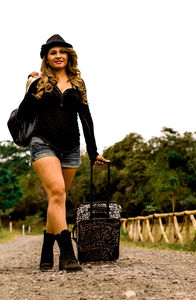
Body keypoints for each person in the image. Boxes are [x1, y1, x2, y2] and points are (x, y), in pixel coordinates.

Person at [17, 34, 109, 272]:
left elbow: (86, 118)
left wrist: (93, 151)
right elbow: (24, 113)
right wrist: (29, 86)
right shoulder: (39, 84)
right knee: (57, 192)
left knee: (57, 199)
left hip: (71, 147)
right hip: (42, 143)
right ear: (46, 58)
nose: (58, 56)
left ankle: (46, 253)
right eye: (52, 52)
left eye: (62, 52)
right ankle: (68, 254)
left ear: (69, 56)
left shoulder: (78, 84)